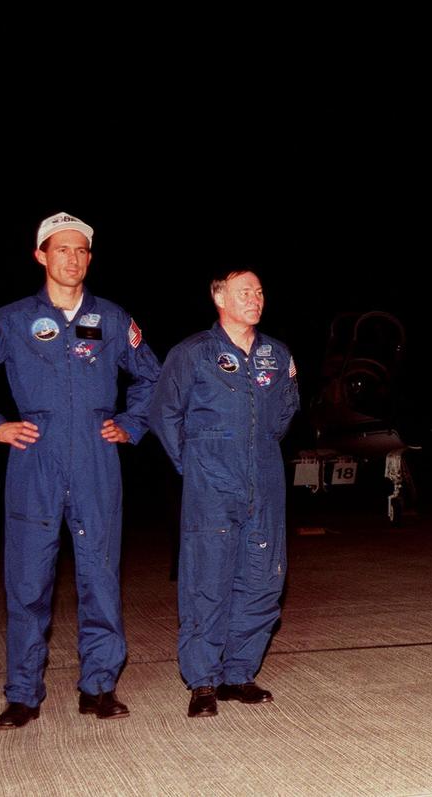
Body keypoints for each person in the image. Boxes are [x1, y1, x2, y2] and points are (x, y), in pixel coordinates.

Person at [0, 212, 161, 730]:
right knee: (27, 580)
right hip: (34, 456)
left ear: (90, 258)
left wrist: (129, 423)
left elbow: (152, 375)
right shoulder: (12, 320)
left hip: (95, 456)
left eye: (81, 250)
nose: (73, 259)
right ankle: (22, 694)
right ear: (40, 255)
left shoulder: (112, 319)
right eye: (61, 250)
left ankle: (100, 687)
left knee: (100, 575)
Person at [150, 270, 298, 717]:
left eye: (258, 291)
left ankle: (239, 674)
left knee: (262, 579)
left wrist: (260, 453)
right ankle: (203, 682)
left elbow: (287, 408)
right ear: (219, 298)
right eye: (243, 292)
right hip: (211, 485)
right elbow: (164, 414)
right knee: (206, 582)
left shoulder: (277, 353)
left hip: (266, 481)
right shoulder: (193, 353)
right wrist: (196, 466)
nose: (254, 298)